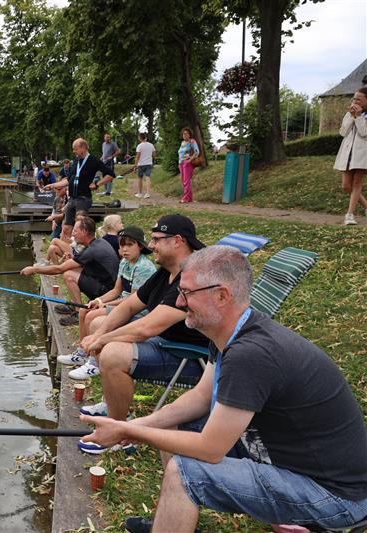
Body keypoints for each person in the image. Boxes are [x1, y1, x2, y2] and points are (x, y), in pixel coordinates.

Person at [81, 245, 367, 533]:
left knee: (185, 473)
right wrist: (138, 424)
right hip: (283, 457)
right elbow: (201, 396)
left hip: (334, 495)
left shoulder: (250, 354)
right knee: (174, 426)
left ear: (221, 296)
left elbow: (210, 449)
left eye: (186, 293)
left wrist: (130, 432)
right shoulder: (230, 333)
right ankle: (173, 520)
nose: (179, 302)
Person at [69, 215, 209, 445]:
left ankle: (116, 431)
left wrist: (102, 339)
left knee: (112, 354)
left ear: (177, 241)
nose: (151, 245)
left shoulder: (192, 278)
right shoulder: (166, 272)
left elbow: (147, 327)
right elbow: (130, 305)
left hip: (191, 356)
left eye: (156, 239)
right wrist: (99, 334)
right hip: (166, 343)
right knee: (105, 336)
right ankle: (113, 410)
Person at [58, 225, 157, 371]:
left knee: (92, 315)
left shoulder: (143, 267)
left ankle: (94, 360)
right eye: (122, 245)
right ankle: (82, 352)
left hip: (137, 310)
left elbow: (133, 300)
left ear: (140, 246)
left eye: (130, 245)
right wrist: (99, 300)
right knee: (84, 310)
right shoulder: (124, 262)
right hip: (123, 303)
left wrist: (105, 305)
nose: (125, 249)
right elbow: (116, 290)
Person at [21, 215, 118, 327]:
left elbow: (59, 269)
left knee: (68, 275)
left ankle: (78, 311)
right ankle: (75, 305)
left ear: (84, 232)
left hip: (107, 292)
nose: (73, 234)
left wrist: (34, 269)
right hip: (106, 284)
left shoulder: (92, 250)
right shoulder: (98, 243)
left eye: (75, 231)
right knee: (71, 269)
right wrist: (70, 261)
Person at [45, 138, 116, 242]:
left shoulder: (93, 160)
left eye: (75, 148)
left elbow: (111, 175)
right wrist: (52, 185)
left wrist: (97, 184)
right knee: (66, 229)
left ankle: (83, 248)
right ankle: (66, 249)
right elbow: (68, 180)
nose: (73, 151)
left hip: (83, 199)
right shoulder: (76, 161)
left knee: (80, 228)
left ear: (83, 147)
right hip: (72, 199)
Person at [334, 86, 367, 225]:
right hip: (347, 152)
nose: (355, 101)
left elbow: (364, 133)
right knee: (346, 186)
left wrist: (359, 117)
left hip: (363, 153)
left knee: (357, 182)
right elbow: (343, 132)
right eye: (354, 98)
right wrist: (352, 116)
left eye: (359, 99)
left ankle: (349, 215)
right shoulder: (349, 114)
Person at [178, 127, 200, 203]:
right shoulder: (182, 143)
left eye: (186, 133)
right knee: (184, 181)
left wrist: (190, 160)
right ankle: (190, 198)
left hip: (187, 163)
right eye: (183, 134)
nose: (184, 135)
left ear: (189, 134)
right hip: (181, 163)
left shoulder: (192, 141)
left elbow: (197, 152)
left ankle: (186, 198)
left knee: (186, 181)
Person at [134, 132, 156, 199]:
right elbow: (154, 155)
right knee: (148, 177)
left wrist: (135, 165)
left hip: (141, 164)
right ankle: (147, 193)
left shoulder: (139, 146)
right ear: (145, 137)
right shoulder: (151, 145)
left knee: (140, 178)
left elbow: (137, 156)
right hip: (149, 163)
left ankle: (140, 193)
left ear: (140, 138)